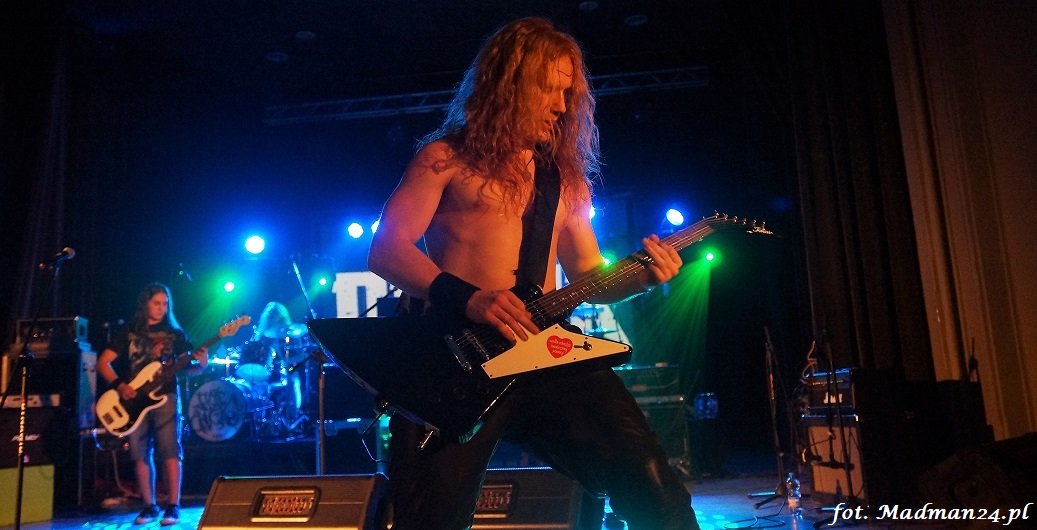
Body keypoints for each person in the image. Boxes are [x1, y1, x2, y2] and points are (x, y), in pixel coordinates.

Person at [367, 17, 698, 530]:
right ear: (510, 83)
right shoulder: (445, 158)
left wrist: (644, 277)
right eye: (550, 90)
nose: (562, 107)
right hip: (455, 358)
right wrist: (470, 297)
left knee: (653, 483)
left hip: (545, 348)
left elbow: (588, 273)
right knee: (432, 516)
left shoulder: (565, 179)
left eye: (569, 93)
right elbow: (387, 249)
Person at [96, 283, 208, 526]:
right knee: (139, 453)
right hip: (133, 400)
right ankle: (149, 506)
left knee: (170, 450)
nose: (161, 308)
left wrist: (201, 364)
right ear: (145, 303)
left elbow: (189, 369)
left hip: (166, 397)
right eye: (157, 303)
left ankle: (173, 506)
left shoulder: (175, 334)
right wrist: (120, 386)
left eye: (165, 304)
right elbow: (103, 362)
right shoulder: (129, 331)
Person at [244, 301, 305, 435]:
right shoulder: (261, 335)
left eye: (275, 316)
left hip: (286, 370)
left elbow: (300, 356)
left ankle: (292, 417)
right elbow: (254, 356)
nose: (273, 318)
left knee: (293, 379)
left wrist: (284, 359)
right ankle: (256, 419)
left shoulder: (291, 334)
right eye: (271, 316)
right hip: (264, 372)